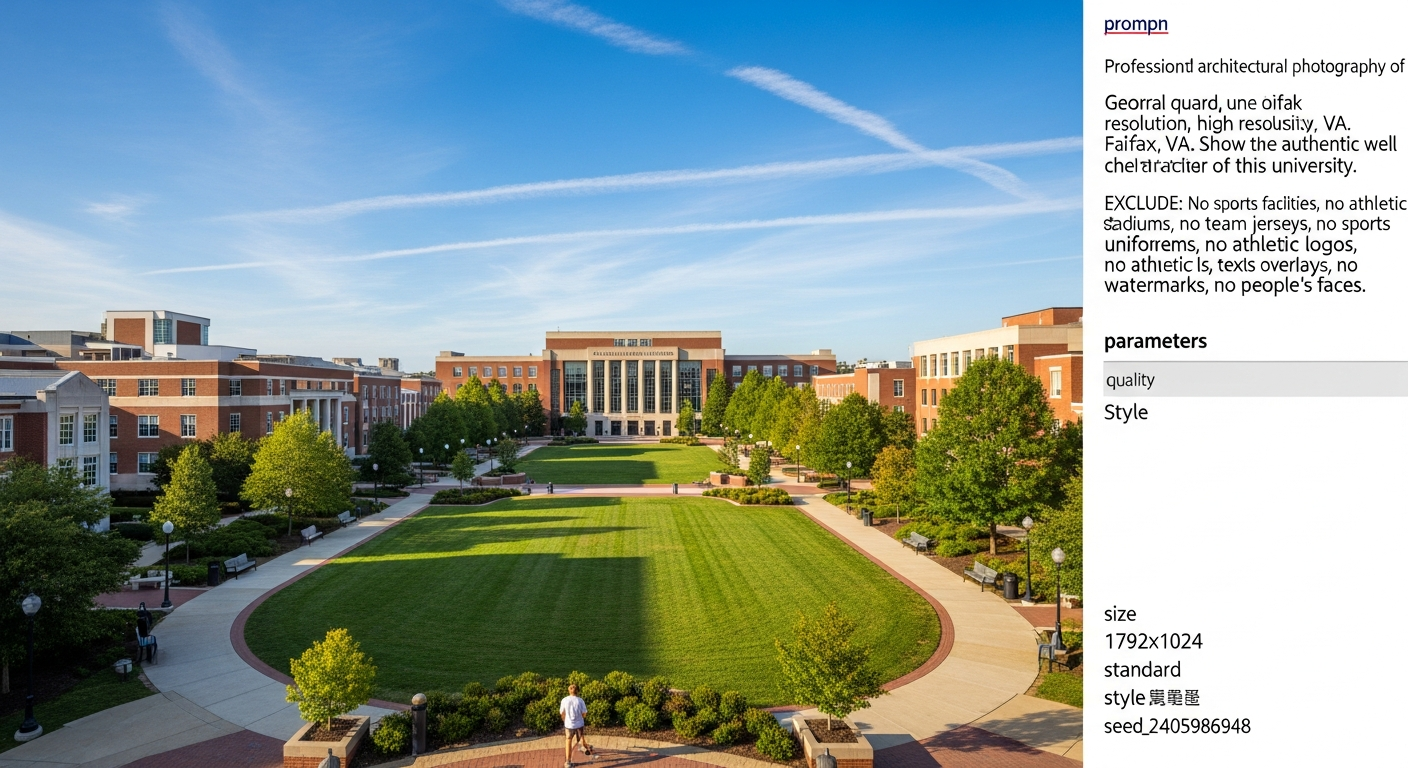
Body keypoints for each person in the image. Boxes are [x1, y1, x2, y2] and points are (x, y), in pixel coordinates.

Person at [560, 683, 593, 767]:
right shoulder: (580, 700)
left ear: (569, 690)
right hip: (579, 724)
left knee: (568, 741)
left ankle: (568, 761)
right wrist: (580, 718)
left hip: (568, 725)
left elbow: (562, 713)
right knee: (581, 737)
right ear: (577, 691)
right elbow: (584, 713)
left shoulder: (564, 700)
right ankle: (584, 747)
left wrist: (565, 720)